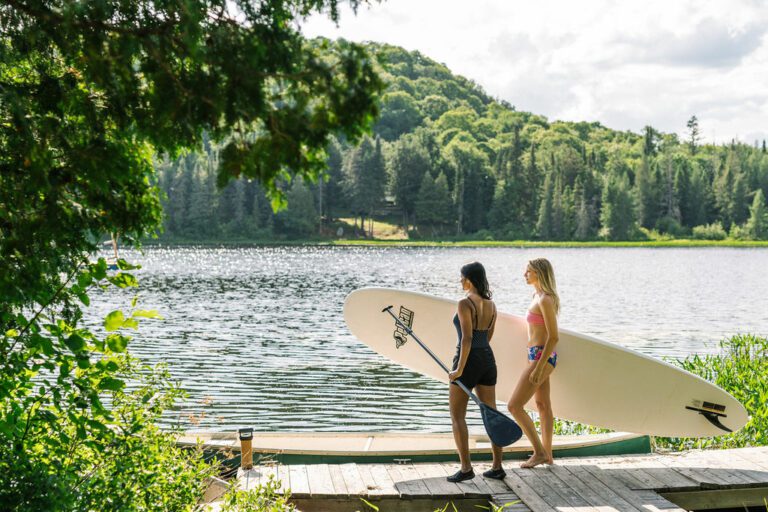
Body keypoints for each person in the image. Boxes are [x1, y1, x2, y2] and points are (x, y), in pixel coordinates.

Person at [446, 262, 506, 482]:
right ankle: (497, 467)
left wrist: (459, 368)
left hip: (468, 361)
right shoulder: (492, 305)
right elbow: (486, 337)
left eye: (462, 278)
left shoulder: (464, 303)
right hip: (487, 360)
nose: (460, 281)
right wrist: (480, 355)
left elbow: (467, 338)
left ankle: (465, 469)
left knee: (457, 416)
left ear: (469, 280)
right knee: (492, 414)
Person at [507, 258, 560, 468]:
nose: (524, 275)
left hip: (541, 357)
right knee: (543, 406)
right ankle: (547, 454)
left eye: (528, 271)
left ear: (539, 273)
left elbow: (553, 337)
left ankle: (538, 452)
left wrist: (538, 366)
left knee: (514, 406)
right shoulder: (536, 296)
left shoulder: (545, 300)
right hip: (535, 355)